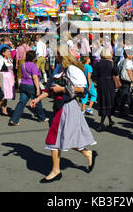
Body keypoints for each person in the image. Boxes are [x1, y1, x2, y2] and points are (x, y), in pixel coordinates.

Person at [29, 51, 97, 183]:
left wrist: (62, 89)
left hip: (68, 106)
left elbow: (81, 89)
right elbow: (49, 89)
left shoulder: (71, 69)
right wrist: (37, 99)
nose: (54, 56)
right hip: (59, 106)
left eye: (57, 54)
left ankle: (56, 170)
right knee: (63, 137)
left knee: (56, 138)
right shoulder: (58, 68)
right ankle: (87, 153)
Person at [9, 50, 47, 126]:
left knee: (21, 102)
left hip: (23, 84)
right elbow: (35, 77)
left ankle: (14, 119)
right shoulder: (33, 66)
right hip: (31, 85)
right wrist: (38, 88)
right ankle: (41, 117)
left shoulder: (23, 65)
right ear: (33, 57)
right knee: (37, 101)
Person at [94, 48, 119, 132]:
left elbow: (94, 76)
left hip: (101, 83)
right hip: (109, 83)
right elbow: (116, 72)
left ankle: (110, 120)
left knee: (103, 101)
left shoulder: (98, 63)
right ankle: (101, 124)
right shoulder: (112, 63)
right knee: (108, 101)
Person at [0, 46, 14, 117]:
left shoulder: (9, 59)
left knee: (7, 95)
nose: (9, 53)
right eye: (7, 52)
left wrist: (13, 78)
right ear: (3, 53)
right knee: (2, 95)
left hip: (9, 79)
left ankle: (4, 109)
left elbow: (11, 70)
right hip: (3, 78)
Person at [115, 48, 133, 117]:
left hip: (122, 79)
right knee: (125, 95)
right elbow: (129, 71)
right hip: (127, 80)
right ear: (128, 55)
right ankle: (122, 109)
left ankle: (131, 107)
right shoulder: (128, 62)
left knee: (126, 94)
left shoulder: (121, 61)